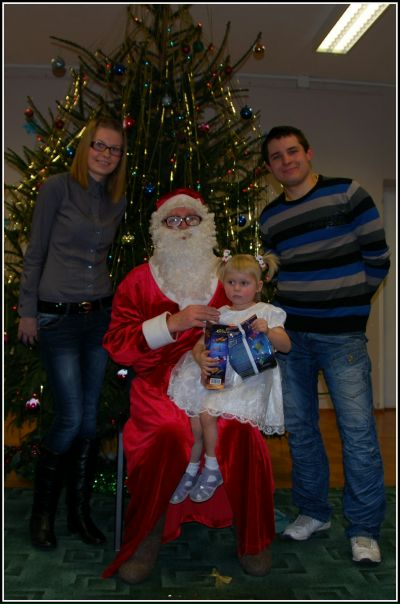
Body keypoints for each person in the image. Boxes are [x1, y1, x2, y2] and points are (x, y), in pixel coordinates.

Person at [102, 188, 277, 584]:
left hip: (220, 375)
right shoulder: (139, 280)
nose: (182, 227)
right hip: (157, 380)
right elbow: (117, 343)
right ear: (159, 227)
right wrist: (172, 324)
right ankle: (147, 535)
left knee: (240, 432)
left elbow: (253, 320)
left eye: (191, 219)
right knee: (167, 432)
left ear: (205, 224)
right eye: (173, 219)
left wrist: (216, 353)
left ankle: (252, 538)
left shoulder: (228, 275)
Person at [259, 125, 390, 565]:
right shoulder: (270, 217)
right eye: (277, 156)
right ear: (270, 167)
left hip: (342, 338)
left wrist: (348, 305)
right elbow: (277, 272)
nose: (286, 160)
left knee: (358, 434)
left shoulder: (348, 193)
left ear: (308, 152)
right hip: (291, 340)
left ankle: (364, 529)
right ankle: (313, 512)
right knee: (301, 431)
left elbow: (378, 259)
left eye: (292, 151)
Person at [17, 116, 127, 550]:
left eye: (114, 149)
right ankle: (41, 515)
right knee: (69, 417)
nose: (105, 154)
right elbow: (36, 251)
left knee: (89, 418)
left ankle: (79, 513)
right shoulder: (57, 188)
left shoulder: (115, 199)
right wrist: (27, 311)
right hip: (56, 319)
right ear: (86, 147)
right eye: (99, 145)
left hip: (98, 317)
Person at [168, 252, 291, 505]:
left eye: (244, 283)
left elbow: (286, 346)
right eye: (231, 282)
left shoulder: (266, 312)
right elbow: (198, 346)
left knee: (207, 414)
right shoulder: (220, 314)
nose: (236, 288)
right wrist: (200, 358)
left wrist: (268, 331)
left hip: (249, 380)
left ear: (258, 286)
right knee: (194, 423)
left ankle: (213, 468)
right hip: (219, 376)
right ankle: (191, 469)